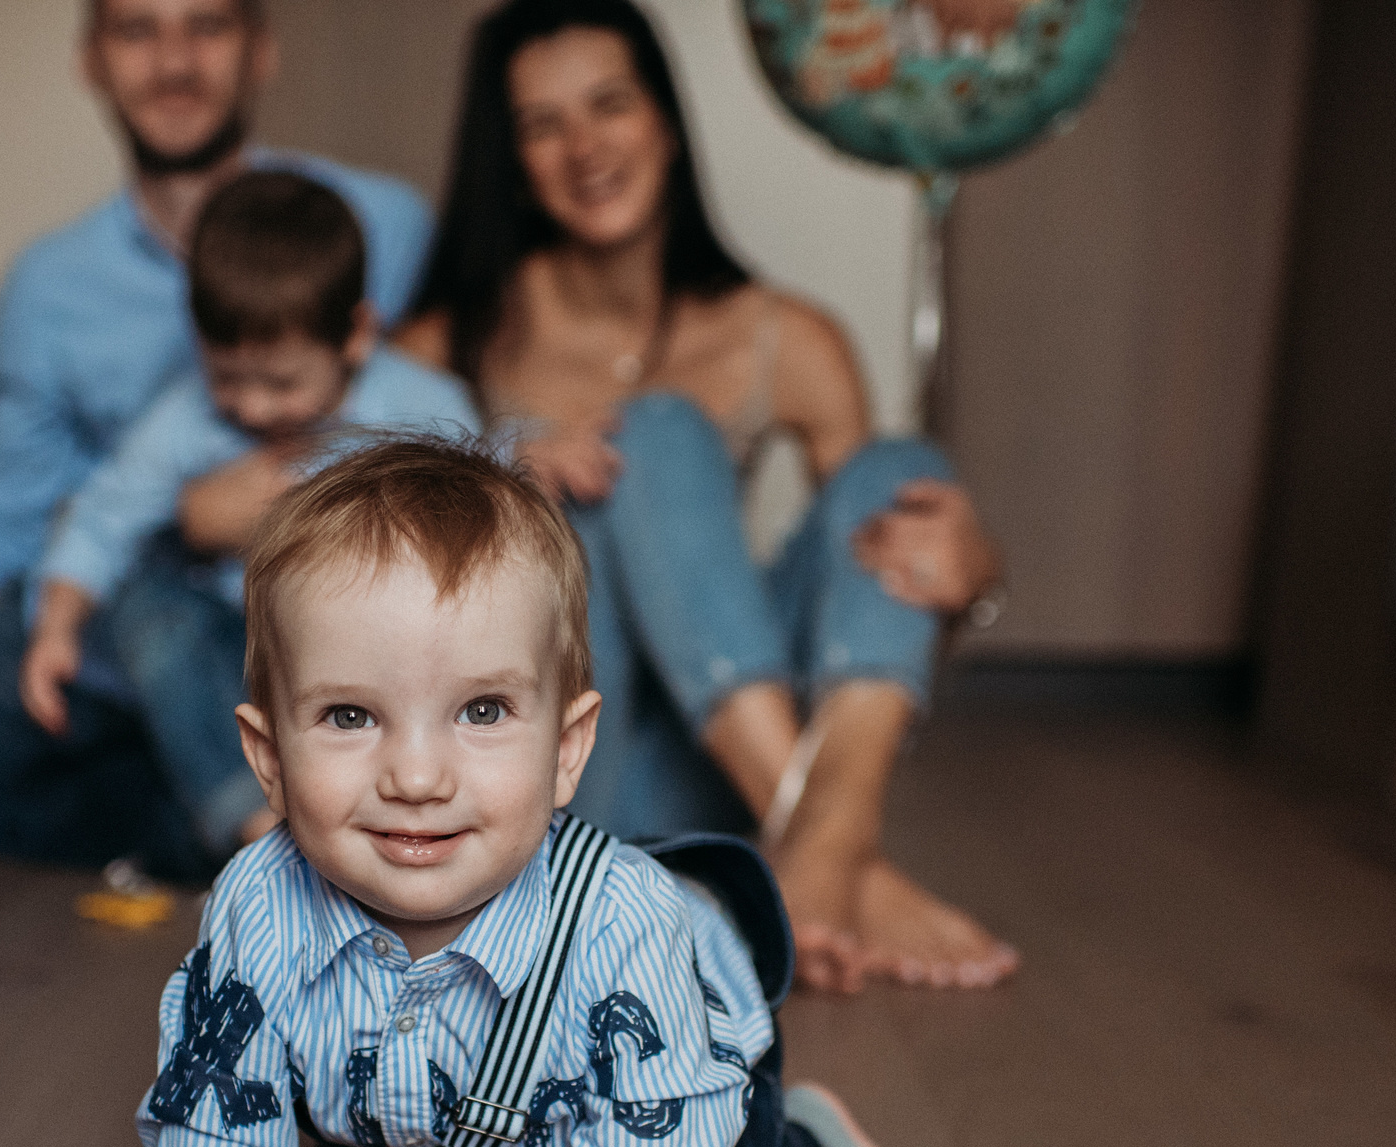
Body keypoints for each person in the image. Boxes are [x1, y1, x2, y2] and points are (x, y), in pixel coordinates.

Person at [89, 437, 933, 1147]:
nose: (418, 776)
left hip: (667, 1092)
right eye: (349, 717)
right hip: (438, 1110)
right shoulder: (255, 906)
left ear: (568, 744)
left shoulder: (625, 929)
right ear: (269, 755)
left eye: (482, 711)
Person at [395, 0, 1018, 995]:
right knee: (657, 429)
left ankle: (820, 828)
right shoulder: (451, 343)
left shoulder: (788, 338)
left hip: (714, 758)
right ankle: (824, 847)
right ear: (510, 157)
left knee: (898, 467)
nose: (584, 146)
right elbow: (364, 579)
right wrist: (504, 471)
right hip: (570, 759)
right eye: (542, 124)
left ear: (666, 123)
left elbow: (862, 600)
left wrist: (974, 573)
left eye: (610, 105)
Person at [0, 0, 435, 873]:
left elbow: (459, 437)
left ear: (261, 50)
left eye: (207, 26)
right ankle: (207, 814)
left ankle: (191, 815)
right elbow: (27, 514)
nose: (174, 61)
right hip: (144, 613)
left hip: (338, 616)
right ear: (91, 60)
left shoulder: (391, 224)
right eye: (136, 30)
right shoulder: (47, 288)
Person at [20, 170, 480, 861]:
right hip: (231, 652)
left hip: (378, 648)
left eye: (283, 382)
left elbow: (487, 524)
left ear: (357, 334)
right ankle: (258, 828)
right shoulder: (188, 416)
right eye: (228, 377)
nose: (255, 408)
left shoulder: (420, 408)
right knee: (149, 608)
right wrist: (56, 626)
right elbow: (104, 515)